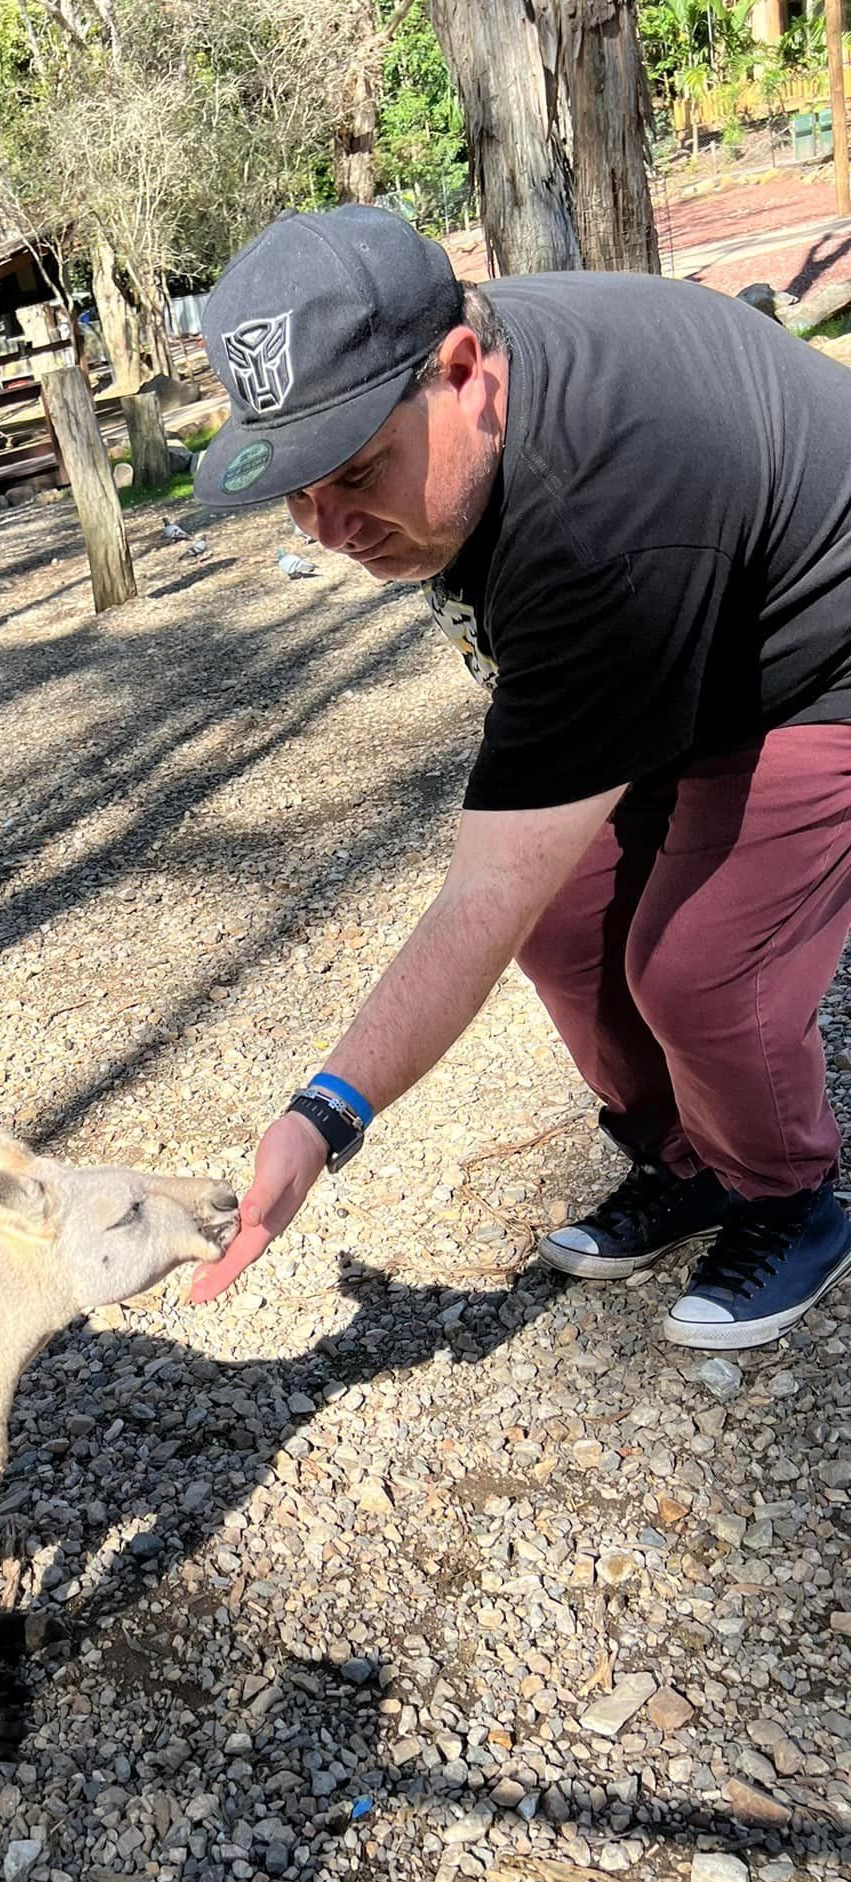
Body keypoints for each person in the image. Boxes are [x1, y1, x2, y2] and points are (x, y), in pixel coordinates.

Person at [186, 206, 851, 1353]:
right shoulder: (472, 427)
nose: (331, 529)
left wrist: (325, 1111)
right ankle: (687, 1160)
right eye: (297, 488)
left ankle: (789, 1198)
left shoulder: (593, 519)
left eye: (355, 471)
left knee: (696, 968)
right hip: (682, 617)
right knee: (568, 922)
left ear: (461, 372)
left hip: (815, 638)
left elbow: (480, 894)